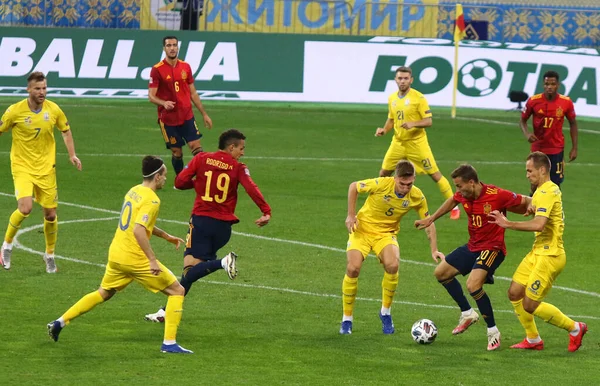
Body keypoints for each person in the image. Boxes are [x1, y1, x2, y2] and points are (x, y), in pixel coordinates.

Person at [47, 156, 193, 354]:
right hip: (134, 258)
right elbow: (139, 231)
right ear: (157, 177)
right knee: (177, 291)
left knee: (103, 293)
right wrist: (151, 260)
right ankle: (169, 343)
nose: (165, 179)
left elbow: (137, 223)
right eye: (164, 176)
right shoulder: (152, 199)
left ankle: (60, 322)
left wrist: (166, 236)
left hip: (117, 254)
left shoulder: (133, 191)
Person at [144, 129, 271, 323]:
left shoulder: (202, 159)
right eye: (241, 148)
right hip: (223, 229)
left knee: (188, 270)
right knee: (193, 272)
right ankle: (164, 312)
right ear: (231, 147)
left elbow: (180, 181)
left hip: (202, 222)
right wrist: (265, 211)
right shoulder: (238, 167)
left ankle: (223, 262)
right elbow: (251, 188)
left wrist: (198, 184)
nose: (242, 153)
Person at [414, 164, 528, 351]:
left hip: (493, 248)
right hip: (473, 245)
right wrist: (431, 218)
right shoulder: (464, 194)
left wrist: (538, 206)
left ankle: (493, 331)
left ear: (472, 182)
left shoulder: (497, 194)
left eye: (459, 186)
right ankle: (468, 313)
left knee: (473, 285)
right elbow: (452, 200)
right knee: (441, 273)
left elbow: (525, 199)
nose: (457, 190)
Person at [488, 151, 587, 352]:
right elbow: (538, 207)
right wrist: (532, 206)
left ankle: (575, 328)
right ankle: (533, 339)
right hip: (538, 252)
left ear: (542, 170)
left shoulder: (548, 191)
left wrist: (508, 224)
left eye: (529, 170)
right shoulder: (543, 190)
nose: (527, 174)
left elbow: (540, 225)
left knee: (530, 305)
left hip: (550, 256)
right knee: (514, 292)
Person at [340, 160, 444, 335]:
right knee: (353, 268)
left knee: (393, 265)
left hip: (386, 234)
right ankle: (347, 319)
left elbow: (429, 222)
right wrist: (351, 215)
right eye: (402, 184)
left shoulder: (417, 197)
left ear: (414, 179)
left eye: (409, 184)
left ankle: (385, 313)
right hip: (362, 231)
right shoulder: (381, 183)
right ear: (395, 178)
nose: (405, 188)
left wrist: (434, 249)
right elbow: (354, 187)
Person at [0, 71, 82, 273]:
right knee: (26, 207)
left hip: (46, 168)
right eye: (37, 88)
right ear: (28, 89)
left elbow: (66, 130)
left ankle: (50, 255)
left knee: (51, 214)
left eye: (44, 88)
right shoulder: (14, 111)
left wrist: (72, 155)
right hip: (22, 166)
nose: (42, 92)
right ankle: (7, 246)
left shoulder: (53, 110)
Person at [375, 66, 460, 220]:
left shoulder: (418, 98)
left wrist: (413, 123)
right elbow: (392, 119)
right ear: (395, 79)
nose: (402, 81)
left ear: (411, 80)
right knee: (384, 173)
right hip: (398, 143)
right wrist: (384, 130)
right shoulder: (392, 98)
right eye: (399, 78)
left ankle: (454, 206)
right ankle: (381, 199)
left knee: (435, 175)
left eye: (405, 78)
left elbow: (429, 121)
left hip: (417, 143)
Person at [148, 35, 213, 176]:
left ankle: (201, 180)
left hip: (187, 116)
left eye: (174, 45)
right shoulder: (157, 70)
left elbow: (193, 93)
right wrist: (163, 103)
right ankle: (180, 179)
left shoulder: (186, 67)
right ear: (164, 48)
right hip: (168, 120)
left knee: (196, 147)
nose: (172, 48)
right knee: (177, 152)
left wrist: (204, 114)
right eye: (168, 45)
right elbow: (151, 96)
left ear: (178, 47)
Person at [520, 70, 578, 194]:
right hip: (538, 149)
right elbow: (522, 120)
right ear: (543, 85)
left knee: (555, 185)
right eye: (546, 84)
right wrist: (527, 134)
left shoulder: (566, 102)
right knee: (535, 184)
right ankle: (534, 212)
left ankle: (555, 212)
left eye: (552, 84)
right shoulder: (533, 101)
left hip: (556, 149)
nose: (549, 87)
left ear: (558, 85)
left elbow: (573, 123)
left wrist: (574, 147)